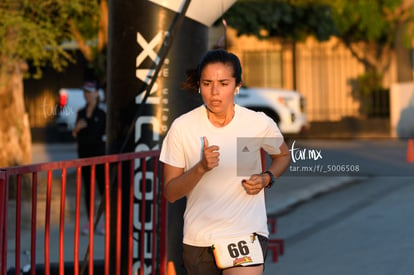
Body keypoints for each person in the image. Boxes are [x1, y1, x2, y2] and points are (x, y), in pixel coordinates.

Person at [159, 49, 290, 275]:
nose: (215, 92)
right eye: (208, 83)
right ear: (199, 85)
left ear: (237, 86)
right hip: (199, 239)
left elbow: (283, 156)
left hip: (246, 233)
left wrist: (267, 178)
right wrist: (200, 168)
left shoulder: (257, 123)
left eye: (223, 83)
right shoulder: (182, 128)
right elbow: (171, 193)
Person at [72, 81, 106, 235]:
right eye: (85, 91)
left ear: (97, 94)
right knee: (88, 190)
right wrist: (77, 129)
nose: (86, 94)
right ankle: (90, 222)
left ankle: (105, 221)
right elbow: (75, 134)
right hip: (84, 157)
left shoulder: (102, 114)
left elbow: (103, 135)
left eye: (90, 91)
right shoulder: (80, 112)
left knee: (103, 188)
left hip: (99, 157)